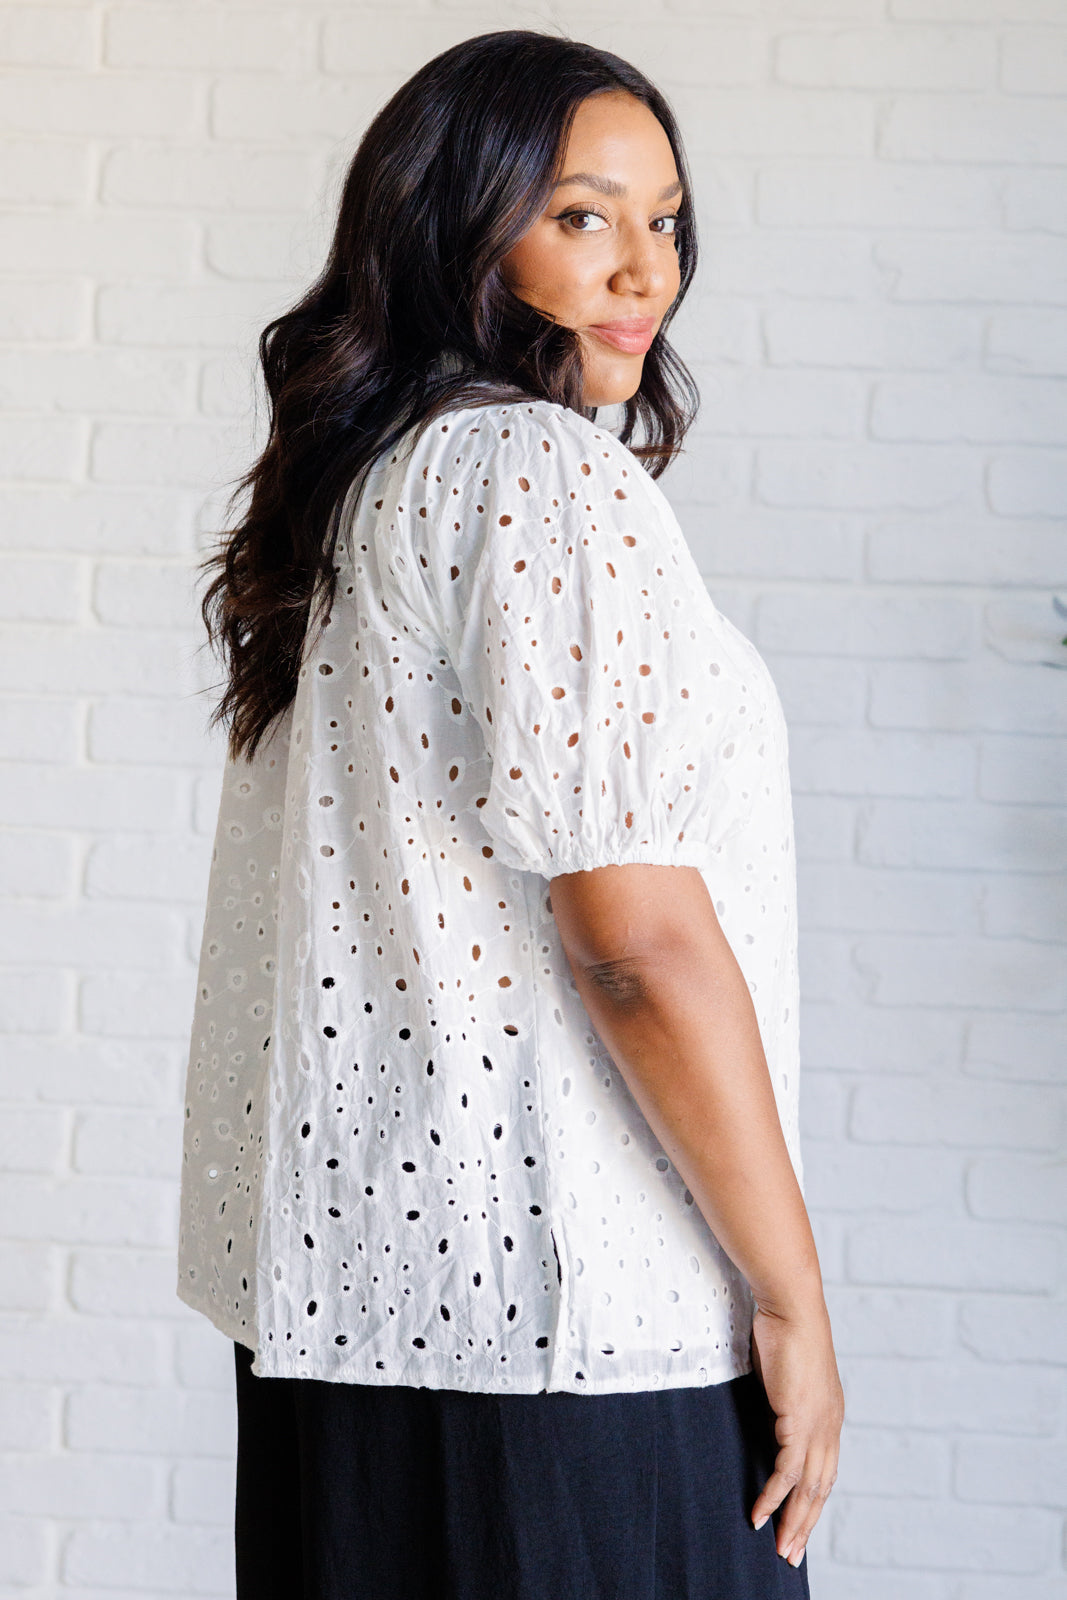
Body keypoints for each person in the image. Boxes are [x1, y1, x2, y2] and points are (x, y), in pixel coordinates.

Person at [176, 28, 844, 1600]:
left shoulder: (368, 488)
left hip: (358, 1326)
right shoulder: (536, 474)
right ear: (453, 229)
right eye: (581, 215)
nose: (644, 269)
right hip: (570, 1335)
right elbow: (637, 944)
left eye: (665, 219)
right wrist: (794, 1294)